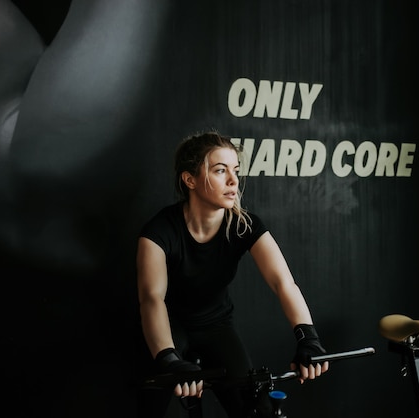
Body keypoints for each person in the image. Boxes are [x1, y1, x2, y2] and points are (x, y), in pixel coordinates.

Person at [136, 130, 329, 418]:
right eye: (220, 170)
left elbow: (283, 282)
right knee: (147, 406)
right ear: (190, 179)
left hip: (216, 325)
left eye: (235, 170)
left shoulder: (244, 224)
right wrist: (170, 359)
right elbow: (152, 299)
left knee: (257, 409)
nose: (233, 181)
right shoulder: (158, 232)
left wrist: (307, 337)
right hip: (169, 326)